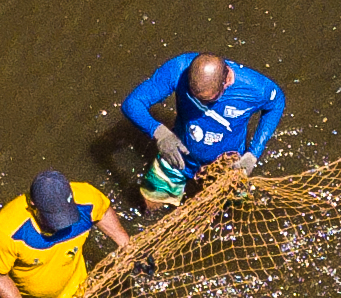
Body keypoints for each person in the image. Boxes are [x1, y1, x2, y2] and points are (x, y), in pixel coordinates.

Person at [0, 169, 130, 298]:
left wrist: (130, 250)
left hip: (74, 292)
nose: (63, 226)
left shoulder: (87, 199)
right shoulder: (9, 230)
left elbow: (103, 212)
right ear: (33, 205)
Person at [122, 51, 286, 206]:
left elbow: (276, 103)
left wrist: (253, 154)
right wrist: (160, 133)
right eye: (194, 96)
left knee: (236, 213)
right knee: (150, 205)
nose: (201, 104)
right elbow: (133, 103)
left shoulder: (256, 88)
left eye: (207, 100)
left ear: (226, 82)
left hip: (227, 167)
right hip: (177, 155)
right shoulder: (179, 69)